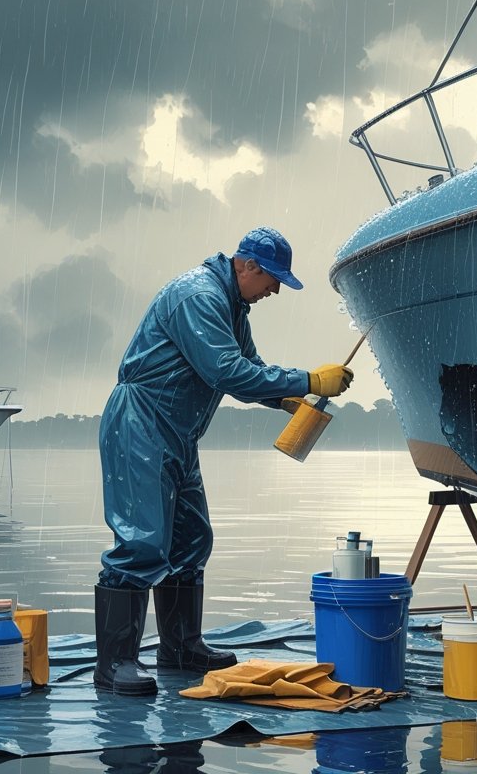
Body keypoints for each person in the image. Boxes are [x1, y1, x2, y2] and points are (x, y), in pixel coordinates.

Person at [93, 227, 354, 696]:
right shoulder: (196, 295)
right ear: (248, 267)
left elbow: (247, 366)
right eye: (273, 279)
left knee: (192, 538)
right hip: (140, 425)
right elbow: (225, 372)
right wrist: (310, 379)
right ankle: (114, 665)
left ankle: (179, 646)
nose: (275, 290)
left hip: (178, 433)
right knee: (141, 542)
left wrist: (284, 401)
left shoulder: (234, 307)